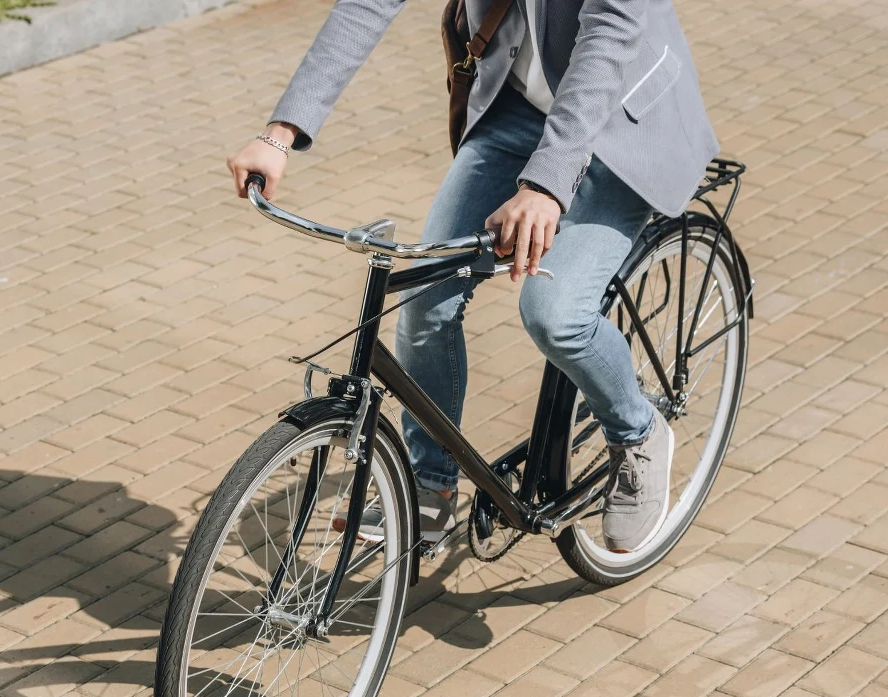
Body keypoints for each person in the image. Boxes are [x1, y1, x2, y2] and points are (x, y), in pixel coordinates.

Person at [227, 0, 718, 553]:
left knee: (555, 316)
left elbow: (610, 29)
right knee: (423, 299)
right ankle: (430, 486)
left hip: (623, 124)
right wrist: (280, 133)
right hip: (520, 109)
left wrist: (547, 185)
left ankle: (638, 432)